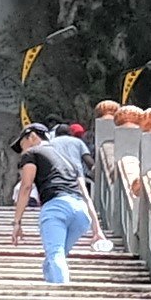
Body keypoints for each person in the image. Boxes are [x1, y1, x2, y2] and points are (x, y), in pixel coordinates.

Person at [22, 115, 96, 289]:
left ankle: (62, 293)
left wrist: (17, 221)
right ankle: (51, 281)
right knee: (57, 254)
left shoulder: (44, 150)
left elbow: (26, 186)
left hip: (56, 204)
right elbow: (88, 165)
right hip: (79, 204)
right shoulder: (75, 147)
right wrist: (97, 228)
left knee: (55, 253)